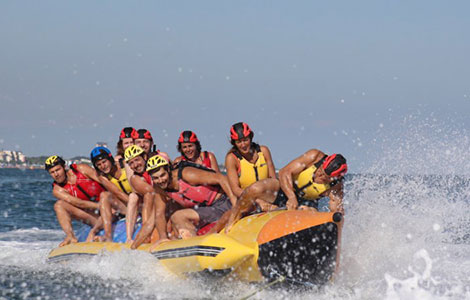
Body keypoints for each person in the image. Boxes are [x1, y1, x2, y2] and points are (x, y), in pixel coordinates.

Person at [224, 150, 348, 232]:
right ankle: (231, 223)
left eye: (324, 177)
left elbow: (336, 212)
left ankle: (272, 209)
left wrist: (336, 230)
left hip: (305, 204)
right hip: (284, 189)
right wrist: (291, 196)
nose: (319, 176)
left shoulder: (336, 186)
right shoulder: (314, 157)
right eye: (320, 171)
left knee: (309, 211)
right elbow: (284, 172)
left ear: (333, 178)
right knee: (254, 189)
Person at [145, 155, 237, 246]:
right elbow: (159, 214)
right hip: (207, 209)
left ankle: (201, 243)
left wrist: (235, 206)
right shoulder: (158, 188)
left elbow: (221, 178)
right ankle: (194, 246)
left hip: (223, 203)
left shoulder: (186, 174)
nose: (160, 180)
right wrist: (163, 237)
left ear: (168, 170)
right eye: (156, 178)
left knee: (178, 216)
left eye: (162, 175)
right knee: (176, 223)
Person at [45, 155, 106, 247]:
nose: (56, 174)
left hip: (111, 206)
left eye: (58, 170)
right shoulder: (58, 190)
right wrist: (102, 206)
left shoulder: (81, 169)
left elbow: (104, 181)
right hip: (95, 217)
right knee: (59, 205)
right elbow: (79, 203)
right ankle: (70, 237)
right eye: (52, 172)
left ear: (64, 167)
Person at [86, 147, 140, 242]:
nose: (103, 166)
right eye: (99, 164)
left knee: (133, 196)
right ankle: (107, 236)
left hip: (140, 201)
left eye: (104, 162)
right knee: (104, 196)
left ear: (110, 159)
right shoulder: (103, 177)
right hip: (126, 205)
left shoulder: (124, 164)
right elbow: (118, 193)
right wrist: (132, 207)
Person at [124, 145, 165, 249]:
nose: (135, 165)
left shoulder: (156, 166)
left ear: (145, 157)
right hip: (153, 204)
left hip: (165, 199)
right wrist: (146, 226)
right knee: (144, 195)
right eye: (131, 163)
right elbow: (150, 192)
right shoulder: (135, 178)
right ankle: (137, 234)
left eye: (137, 160)